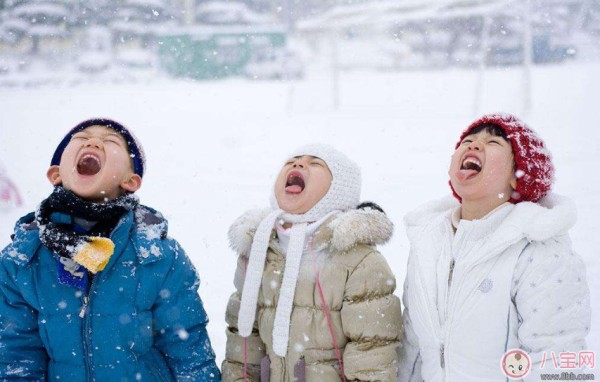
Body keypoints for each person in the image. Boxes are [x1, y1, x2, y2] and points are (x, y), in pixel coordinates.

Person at [0, 118, 221, 381]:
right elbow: (16, 358)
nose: (93, 141)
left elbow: (189, 351)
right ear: (56, 174)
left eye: (110, 141)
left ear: (131, 180)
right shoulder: (23, 260)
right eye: (81, 138)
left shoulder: (159, 257)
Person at [398, 113, 591, 381]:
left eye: (493, 143)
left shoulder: (540, 251)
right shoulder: (427, 244)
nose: (473, 145)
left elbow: (555, 360)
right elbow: (412, 348)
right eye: (468, 140)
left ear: (518, 176)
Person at [222, 144, 402, 381]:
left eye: (315, 163)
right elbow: (243, 345)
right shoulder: (259, 251)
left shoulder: (360, 261)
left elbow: (373, 354)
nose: (298, 164)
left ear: (339, 190)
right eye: (292, 160)